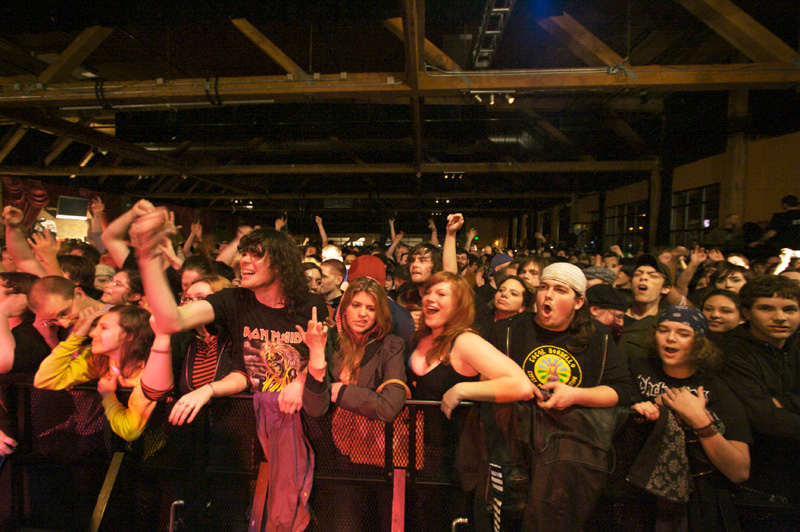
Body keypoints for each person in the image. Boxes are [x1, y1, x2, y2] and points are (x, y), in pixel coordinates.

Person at [630, 306, 751, 531]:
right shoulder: (637, 369)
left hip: (695, 498)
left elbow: (739, 471)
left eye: (683, 333)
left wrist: (699, 420)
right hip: (635, 492)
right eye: (664, 330)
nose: (671, 338)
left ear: (699, 343)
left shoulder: (715, 388)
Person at [718, 275, 800, 505]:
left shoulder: (796, 343)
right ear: (746, 313)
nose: (780, 318)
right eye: (766, 308)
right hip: (760, 479)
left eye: (790, 309)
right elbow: (766, 420)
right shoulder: (731, 351)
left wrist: (786, 401)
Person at [33, 306, 167, 441]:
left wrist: (108, 395)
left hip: (153, 449)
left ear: (130, 335)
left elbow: (130, 431)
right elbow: (45, 379)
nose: (91, 333)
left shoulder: (149, 371)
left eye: (104, 328)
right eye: (95, 326)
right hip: (110, 443)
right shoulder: (98, 358)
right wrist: (77, 336)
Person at [407, 271, 532, 412]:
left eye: (441, 294)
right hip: (415, 431)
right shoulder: (420, 337)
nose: (430, 298)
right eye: (428, 292)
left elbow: (522, 386)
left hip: (453, 431)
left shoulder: (464, 341)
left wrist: (462, 390)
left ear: (458, 305)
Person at [302, 276, 407, 421]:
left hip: (372, 439)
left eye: (371, 308)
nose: (362, 314)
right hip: (327, 439)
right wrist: (316, 354)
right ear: (344, 309)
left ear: (379, 313)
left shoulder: (391, 345)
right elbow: (315, 408)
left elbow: (388, 407)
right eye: (356, 305)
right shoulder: (326, 342)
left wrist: (338, 391)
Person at [165, 276, 249, 426]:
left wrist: (207, 390)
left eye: (200, 298)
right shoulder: (182, 341)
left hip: (234, 430)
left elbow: (243, 377)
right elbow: (157, 391)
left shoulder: (236, 336)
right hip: (192, 431)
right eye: (187, 299)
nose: (191, 305)